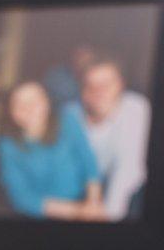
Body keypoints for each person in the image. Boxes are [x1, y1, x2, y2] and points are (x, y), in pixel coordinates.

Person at [0, 81, 105, 220]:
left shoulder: (67, 120)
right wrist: (78, 211)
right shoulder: (7, 144)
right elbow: (21, 198)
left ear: (46, 102)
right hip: (44, 214)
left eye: (35, 100)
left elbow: (89, 162)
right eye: (19, 103)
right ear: (11, 111)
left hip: (85, 202)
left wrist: (93, 203)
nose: (28, 108)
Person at [64, 58, 151, 221]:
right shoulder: (70, 114)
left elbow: (128, 169)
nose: (98, 91)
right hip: (81, 192)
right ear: (82, 90)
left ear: (121, 85)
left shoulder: (136, 108)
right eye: (90, 85)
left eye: (107, 84)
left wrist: (107, 220)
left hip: (126, 194)